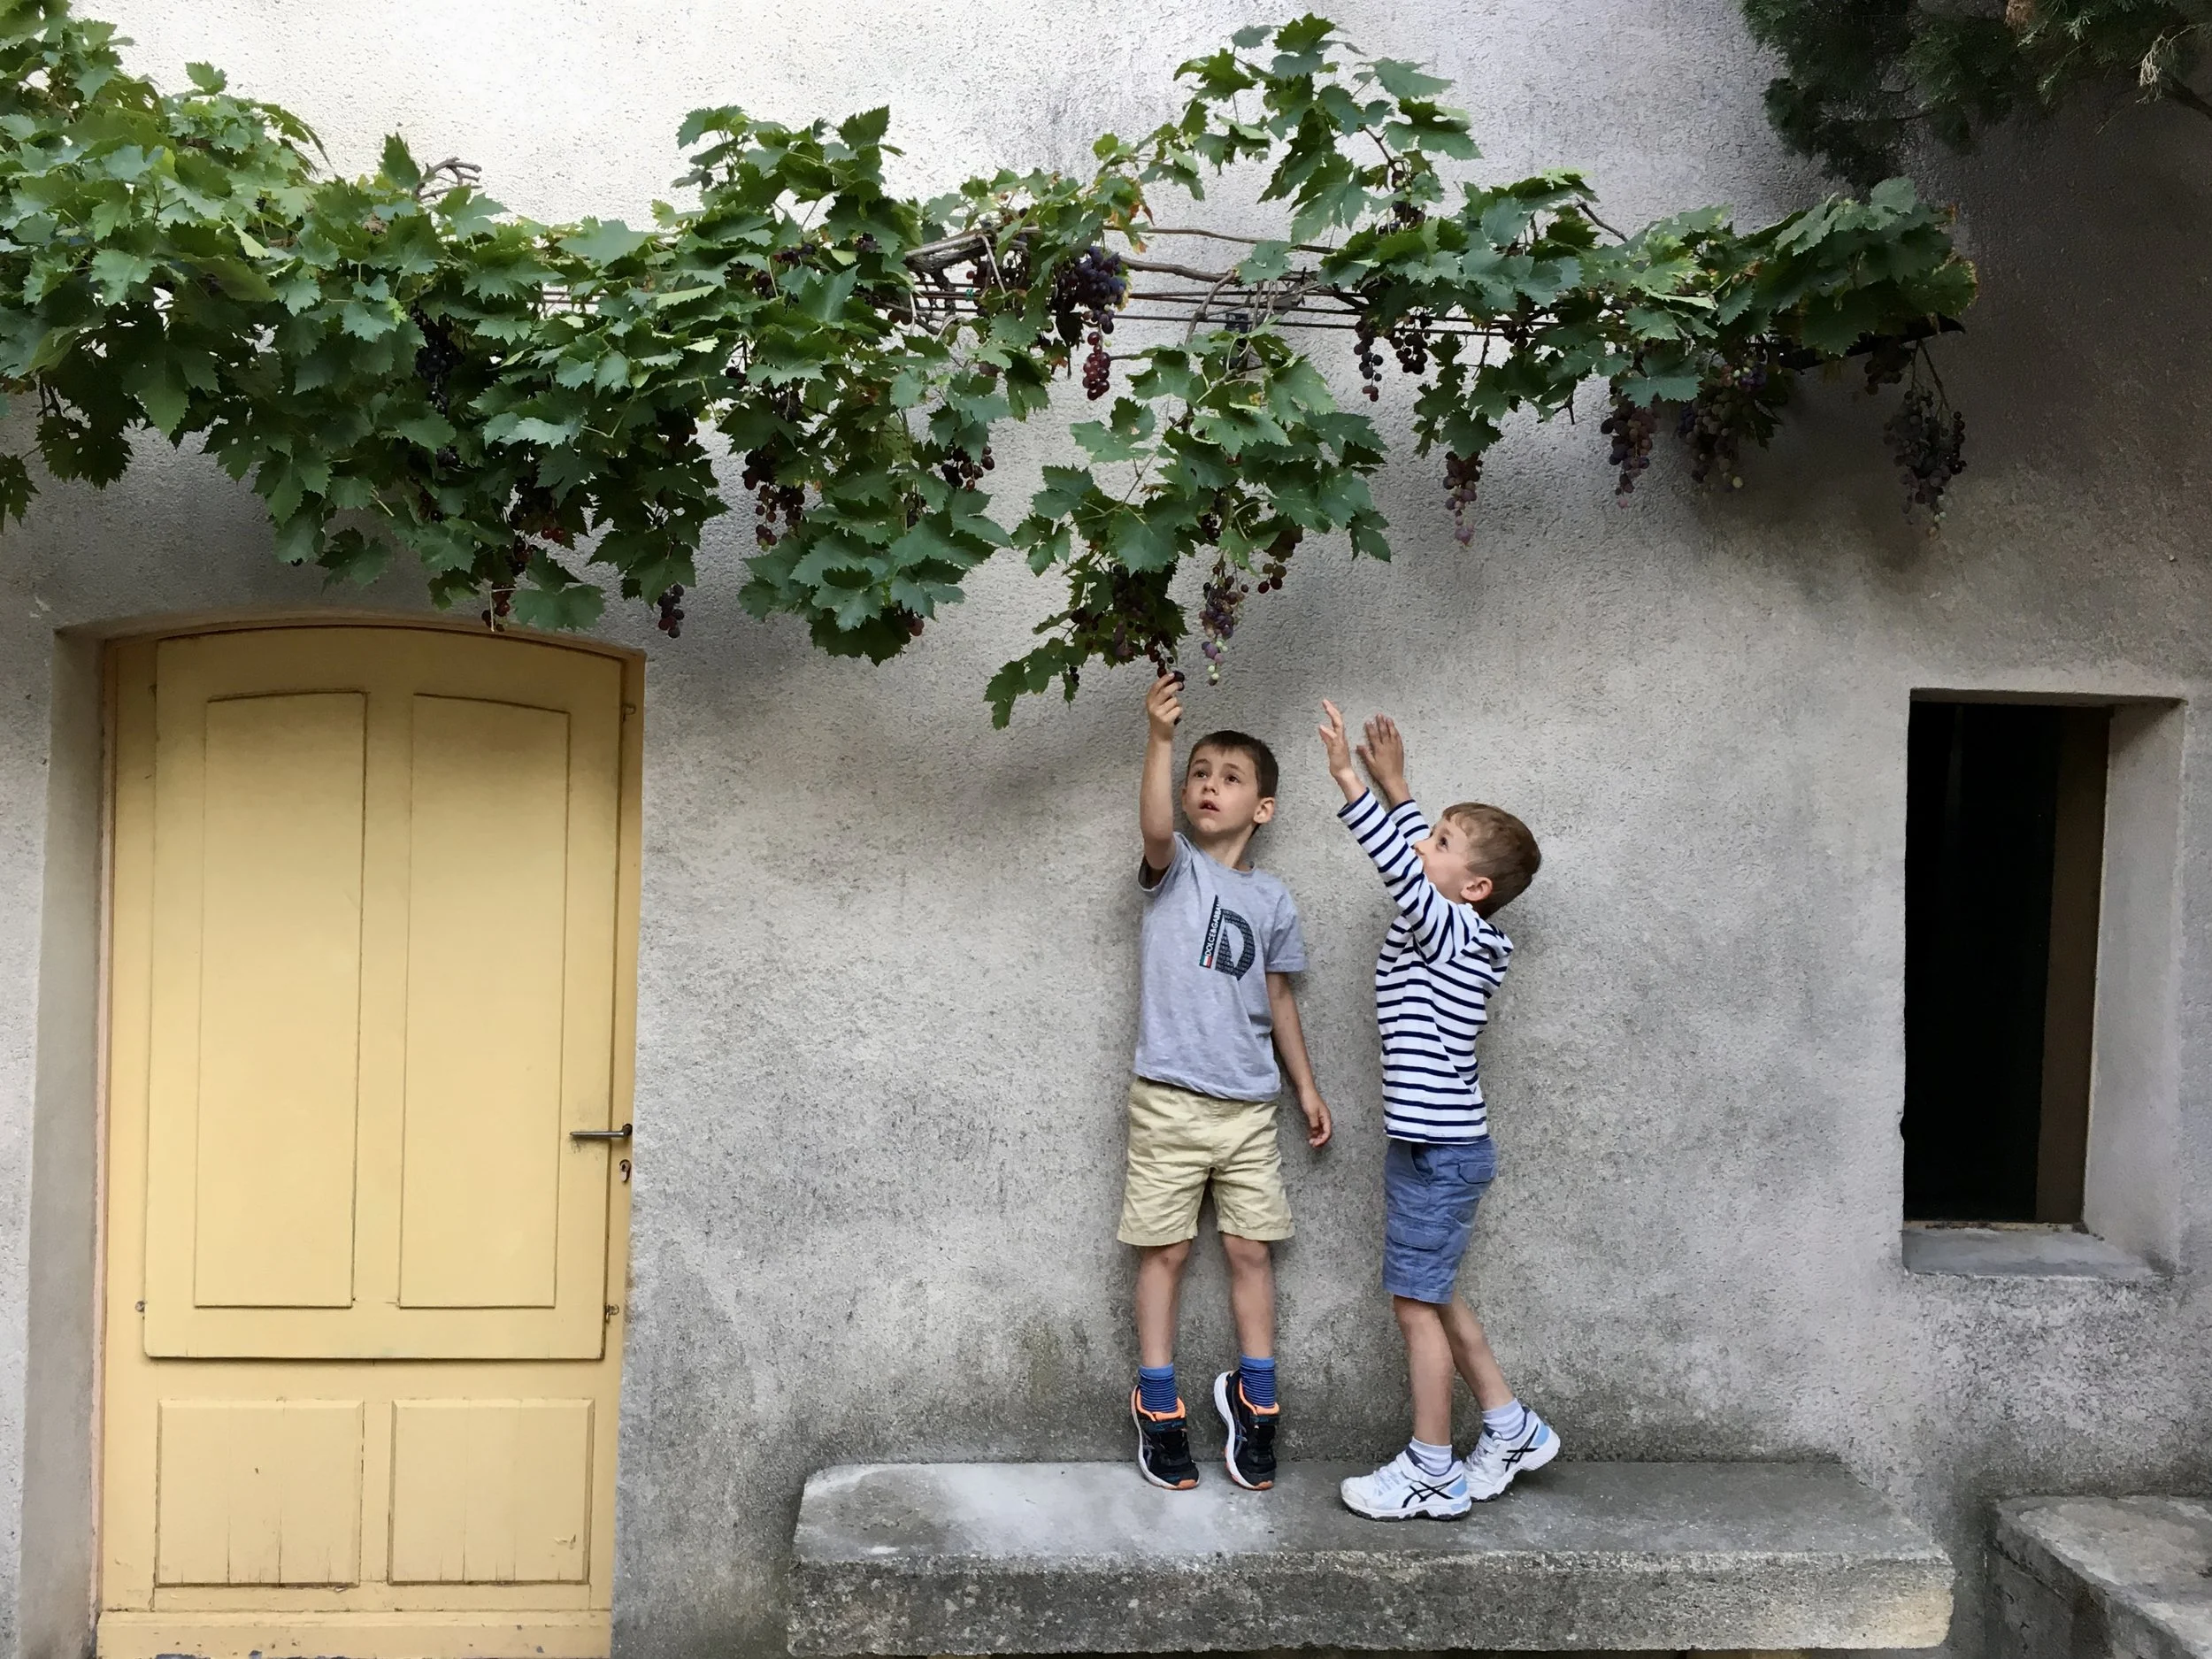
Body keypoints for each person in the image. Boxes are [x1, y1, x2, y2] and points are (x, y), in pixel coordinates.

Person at [1317, 700, 1555, 1520]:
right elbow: (1423, 865)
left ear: (1475, 887)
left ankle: (1431, 1465)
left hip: (1440, 1150)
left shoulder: (1453, 930)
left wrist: (1354, 783)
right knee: (1437, 1287)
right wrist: (1403, 789)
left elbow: (1404, 871)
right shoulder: (1452, 923)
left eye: (1442, 844)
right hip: (1433, 1146)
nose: (1424, 846)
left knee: (1414, 1304)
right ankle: (1509, 1424)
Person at [1124, 670, 1332, 1493]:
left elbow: (1278, 994)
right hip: (1169, 1096)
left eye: (1230, 777)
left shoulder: (1271, 896)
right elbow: (1153, 825)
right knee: (1167, 1248)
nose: (1210, 786)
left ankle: (1257, 1395)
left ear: (1264, 808)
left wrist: (1307, 1085)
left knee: (1251, 1248)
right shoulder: (1174, 869)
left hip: (1250, 1104)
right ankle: (1159, 1400)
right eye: (1199, 775)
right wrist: (1161, 738)